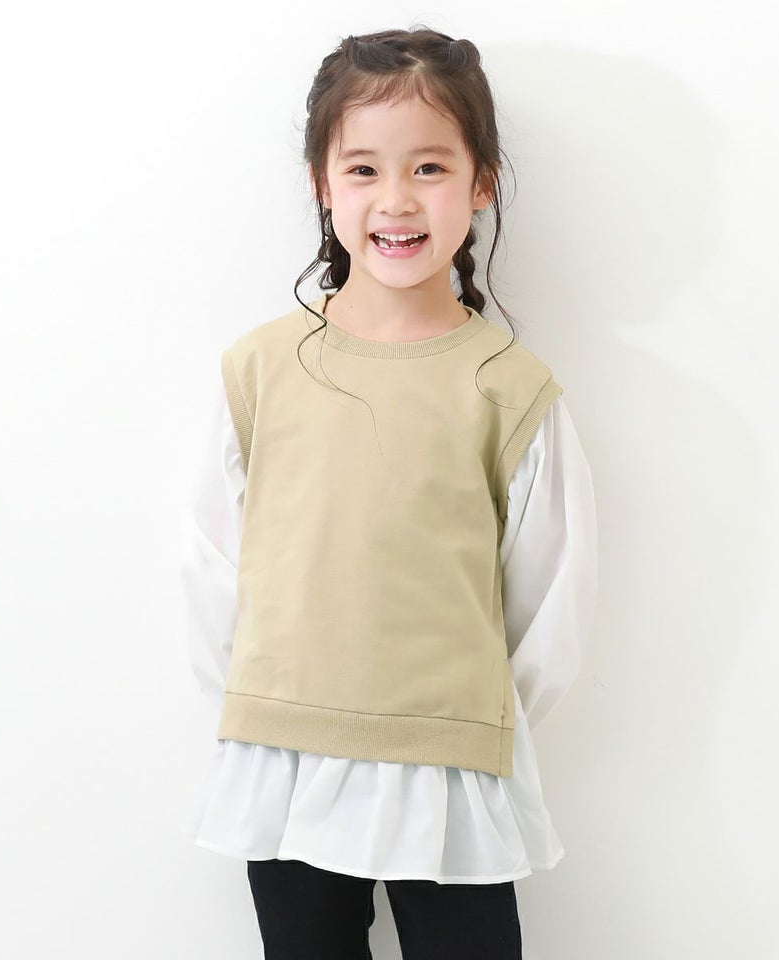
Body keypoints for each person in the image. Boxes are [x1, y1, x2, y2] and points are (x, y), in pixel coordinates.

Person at [179, 25, 598, 960]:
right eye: (363, 169)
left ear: (482, 183)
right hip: (287, 760)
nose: (396, 199)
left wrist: (464, 720)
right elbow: (210, 570)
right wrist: (267, 709)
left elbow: (548, 604)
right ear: (322, 186)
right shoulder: (260, 370)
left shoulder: (508, 388)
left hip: (448, 768)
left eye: (430, 168)